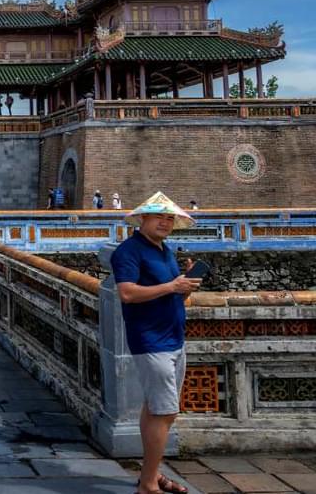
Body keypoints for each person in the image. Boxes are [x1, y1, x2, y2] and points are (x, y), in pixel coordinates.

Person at [112, 193, 201, 494]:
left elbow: (173, 293)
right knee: (165, 412)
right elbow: (127, 293)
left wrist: (184, 284)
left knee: (157, 410)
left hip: (174, 336)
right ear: (143, 219)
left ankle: (150, 473)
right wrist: (173, 285)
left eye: (170, 218)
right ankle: (149, 484)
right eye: (159, 216)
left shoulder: (164, 250)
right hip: (151, 340)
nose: (166, 222)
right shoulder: (128, 251)